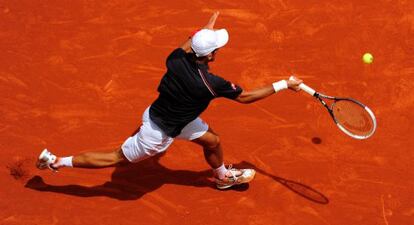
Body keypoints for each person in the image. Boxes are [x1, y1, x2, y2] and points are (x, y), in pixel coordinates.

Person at [36, 12, 303, 190]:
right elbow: (246, 97)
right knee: (117, 157)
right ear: (210, 56)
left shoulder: (175, 60)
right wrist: (284, 84)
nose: (220, 49)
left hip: (169, 114)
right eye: (216, 47)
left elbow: (187, 45)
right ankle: (58, 161)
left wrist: (203, 31)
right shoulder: (211, 83)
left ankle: (222, 177)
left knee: (212, 140)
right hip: (158, 131)